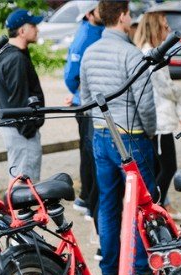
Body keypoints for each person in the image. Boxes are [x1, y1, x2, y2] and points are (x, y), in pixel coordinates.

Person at [80, 0, 158, 275]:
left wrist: (99, 123)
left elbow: (86, 97)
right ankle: (141, 267)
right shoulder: (131, 54)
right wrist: (150, 132)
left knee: (108, 203)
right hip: (131, 136)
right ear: (123, 16)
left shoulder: (90, 53)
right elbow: (145, 103)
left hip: (101, 133)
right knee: (140, 203)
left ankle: (109, 268)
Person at [134, 12, 181, 221]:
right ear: (155, 27)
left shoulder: (157, 53)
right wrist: (179, 92)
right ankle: (153, 208)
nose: (168, 30)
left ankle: (160, 205)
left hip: (163, 117)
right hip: (158, 120)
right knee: (167, 167)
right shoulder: (149, 54)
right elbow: (166, 87)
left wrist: (180, 111)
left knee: (159, 167)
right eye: (165, 26)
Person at [0, 9, 45, 182]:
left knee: (19, 183)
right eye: (33, 25)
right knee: (25, 187)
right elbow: (19, 102)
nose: (37, 29)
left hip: (15, 129)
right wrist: (29, 131)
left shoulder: (9, 55)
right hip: (22, 133)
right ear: (22, 31)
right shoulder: (16, 59)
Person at [64, 3, 103, 221]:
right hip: (87, 106)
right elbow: (71, 74)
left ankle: (87, 197)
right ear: (89, 14)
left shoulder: (98, 31)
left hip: (93, 103)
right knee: (90, 153)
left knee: (91, 152)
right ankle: (87, 199)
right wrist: (79, 94)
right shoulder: (85, 36)